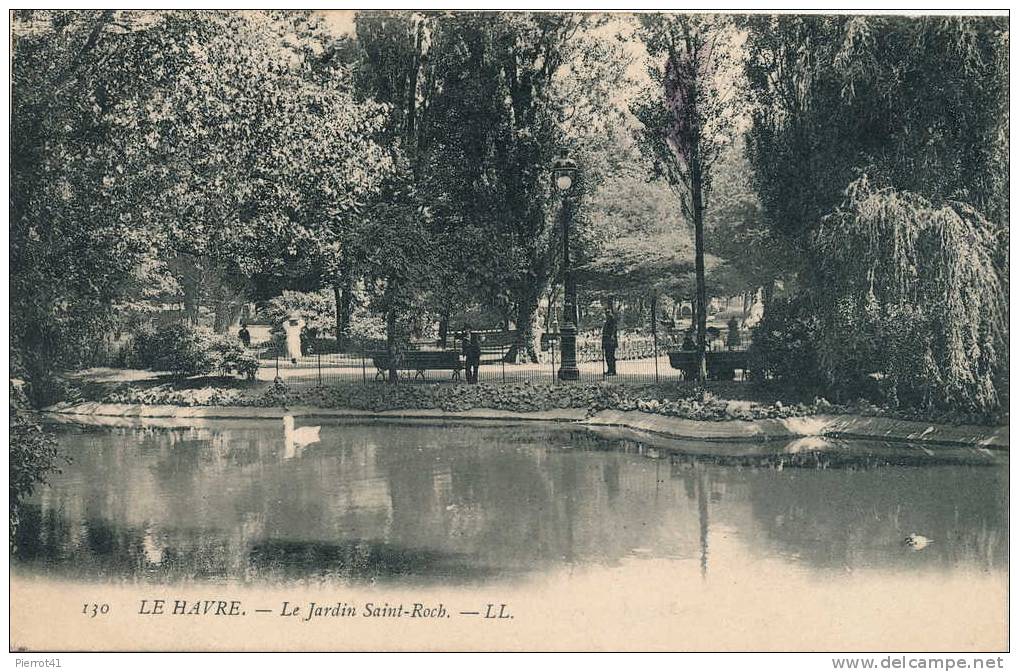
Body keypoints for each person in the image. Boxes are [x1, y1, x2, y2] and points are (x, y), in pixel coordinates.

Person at [601, 308, 618, 376]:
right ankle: (610, 370)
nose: (607, 314)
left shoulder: (612, 320)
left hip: (610, 341)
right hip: (607, 341)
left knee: (610, 356)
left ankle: (612, 370)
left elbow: (614, 329)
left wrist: (612, 336)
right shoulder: (608, 320)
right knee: (608, 356)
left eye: (608, 312)